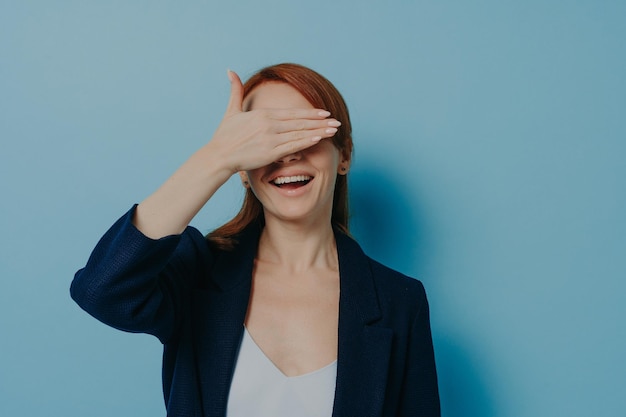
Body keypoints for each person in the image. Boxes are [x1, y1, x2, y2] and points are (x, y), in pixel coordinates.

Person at [71, 63, 440, 417]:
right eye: (266, 139)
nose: (289, 153)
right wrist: (216, 158)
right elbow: (102, 290)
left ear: (342, 154)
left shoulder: (399, 301)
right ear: (243, 171)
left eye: (306, 132)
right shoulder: (198, 271)